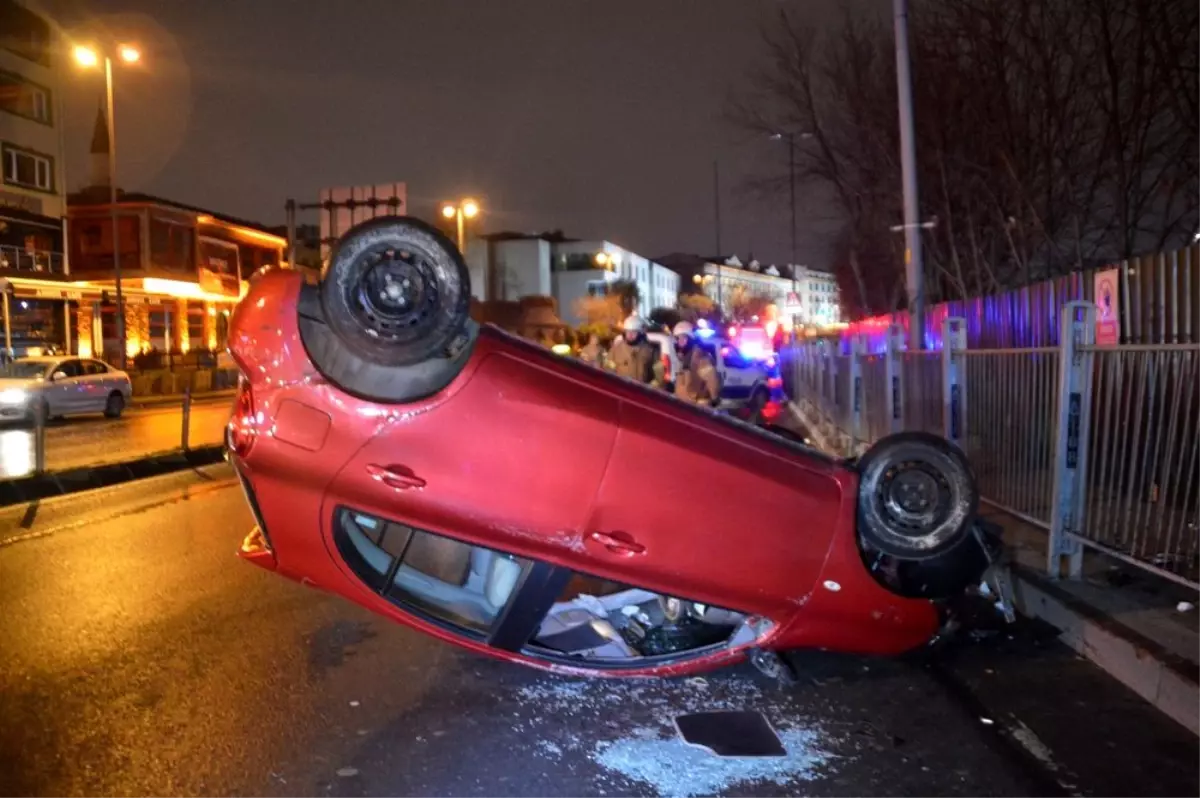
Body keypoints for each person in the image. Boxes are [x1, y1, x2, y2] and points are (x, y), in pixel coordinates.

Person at [672, 320, 720, 406]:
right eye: (678, 338)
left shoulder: (700, 357)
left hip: (696, 406)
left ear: (690, 339)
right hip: (683, 405)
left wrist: (713, 398)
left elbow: (710, 374)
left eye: (683, 338)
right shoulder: (684, 358)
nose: (680, 341)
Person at [608, 314, 657, 384]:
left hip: (642, 391)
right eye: (628, 332)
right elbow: (608, 371)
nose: (630, 335)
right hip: (622, 390)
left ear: (640, 333)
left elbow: (657, 375)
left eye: (634, 332)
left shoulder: (650, 351)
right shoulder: (615, 350)